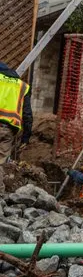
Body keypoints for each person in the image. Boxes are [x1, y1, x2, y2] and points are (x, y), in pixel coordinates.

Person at [0, 60, 32, 191]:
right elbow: (27, 113)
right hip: (8, 130)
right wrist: (26, 136)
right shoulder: (22, 86)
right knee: (1, 161)